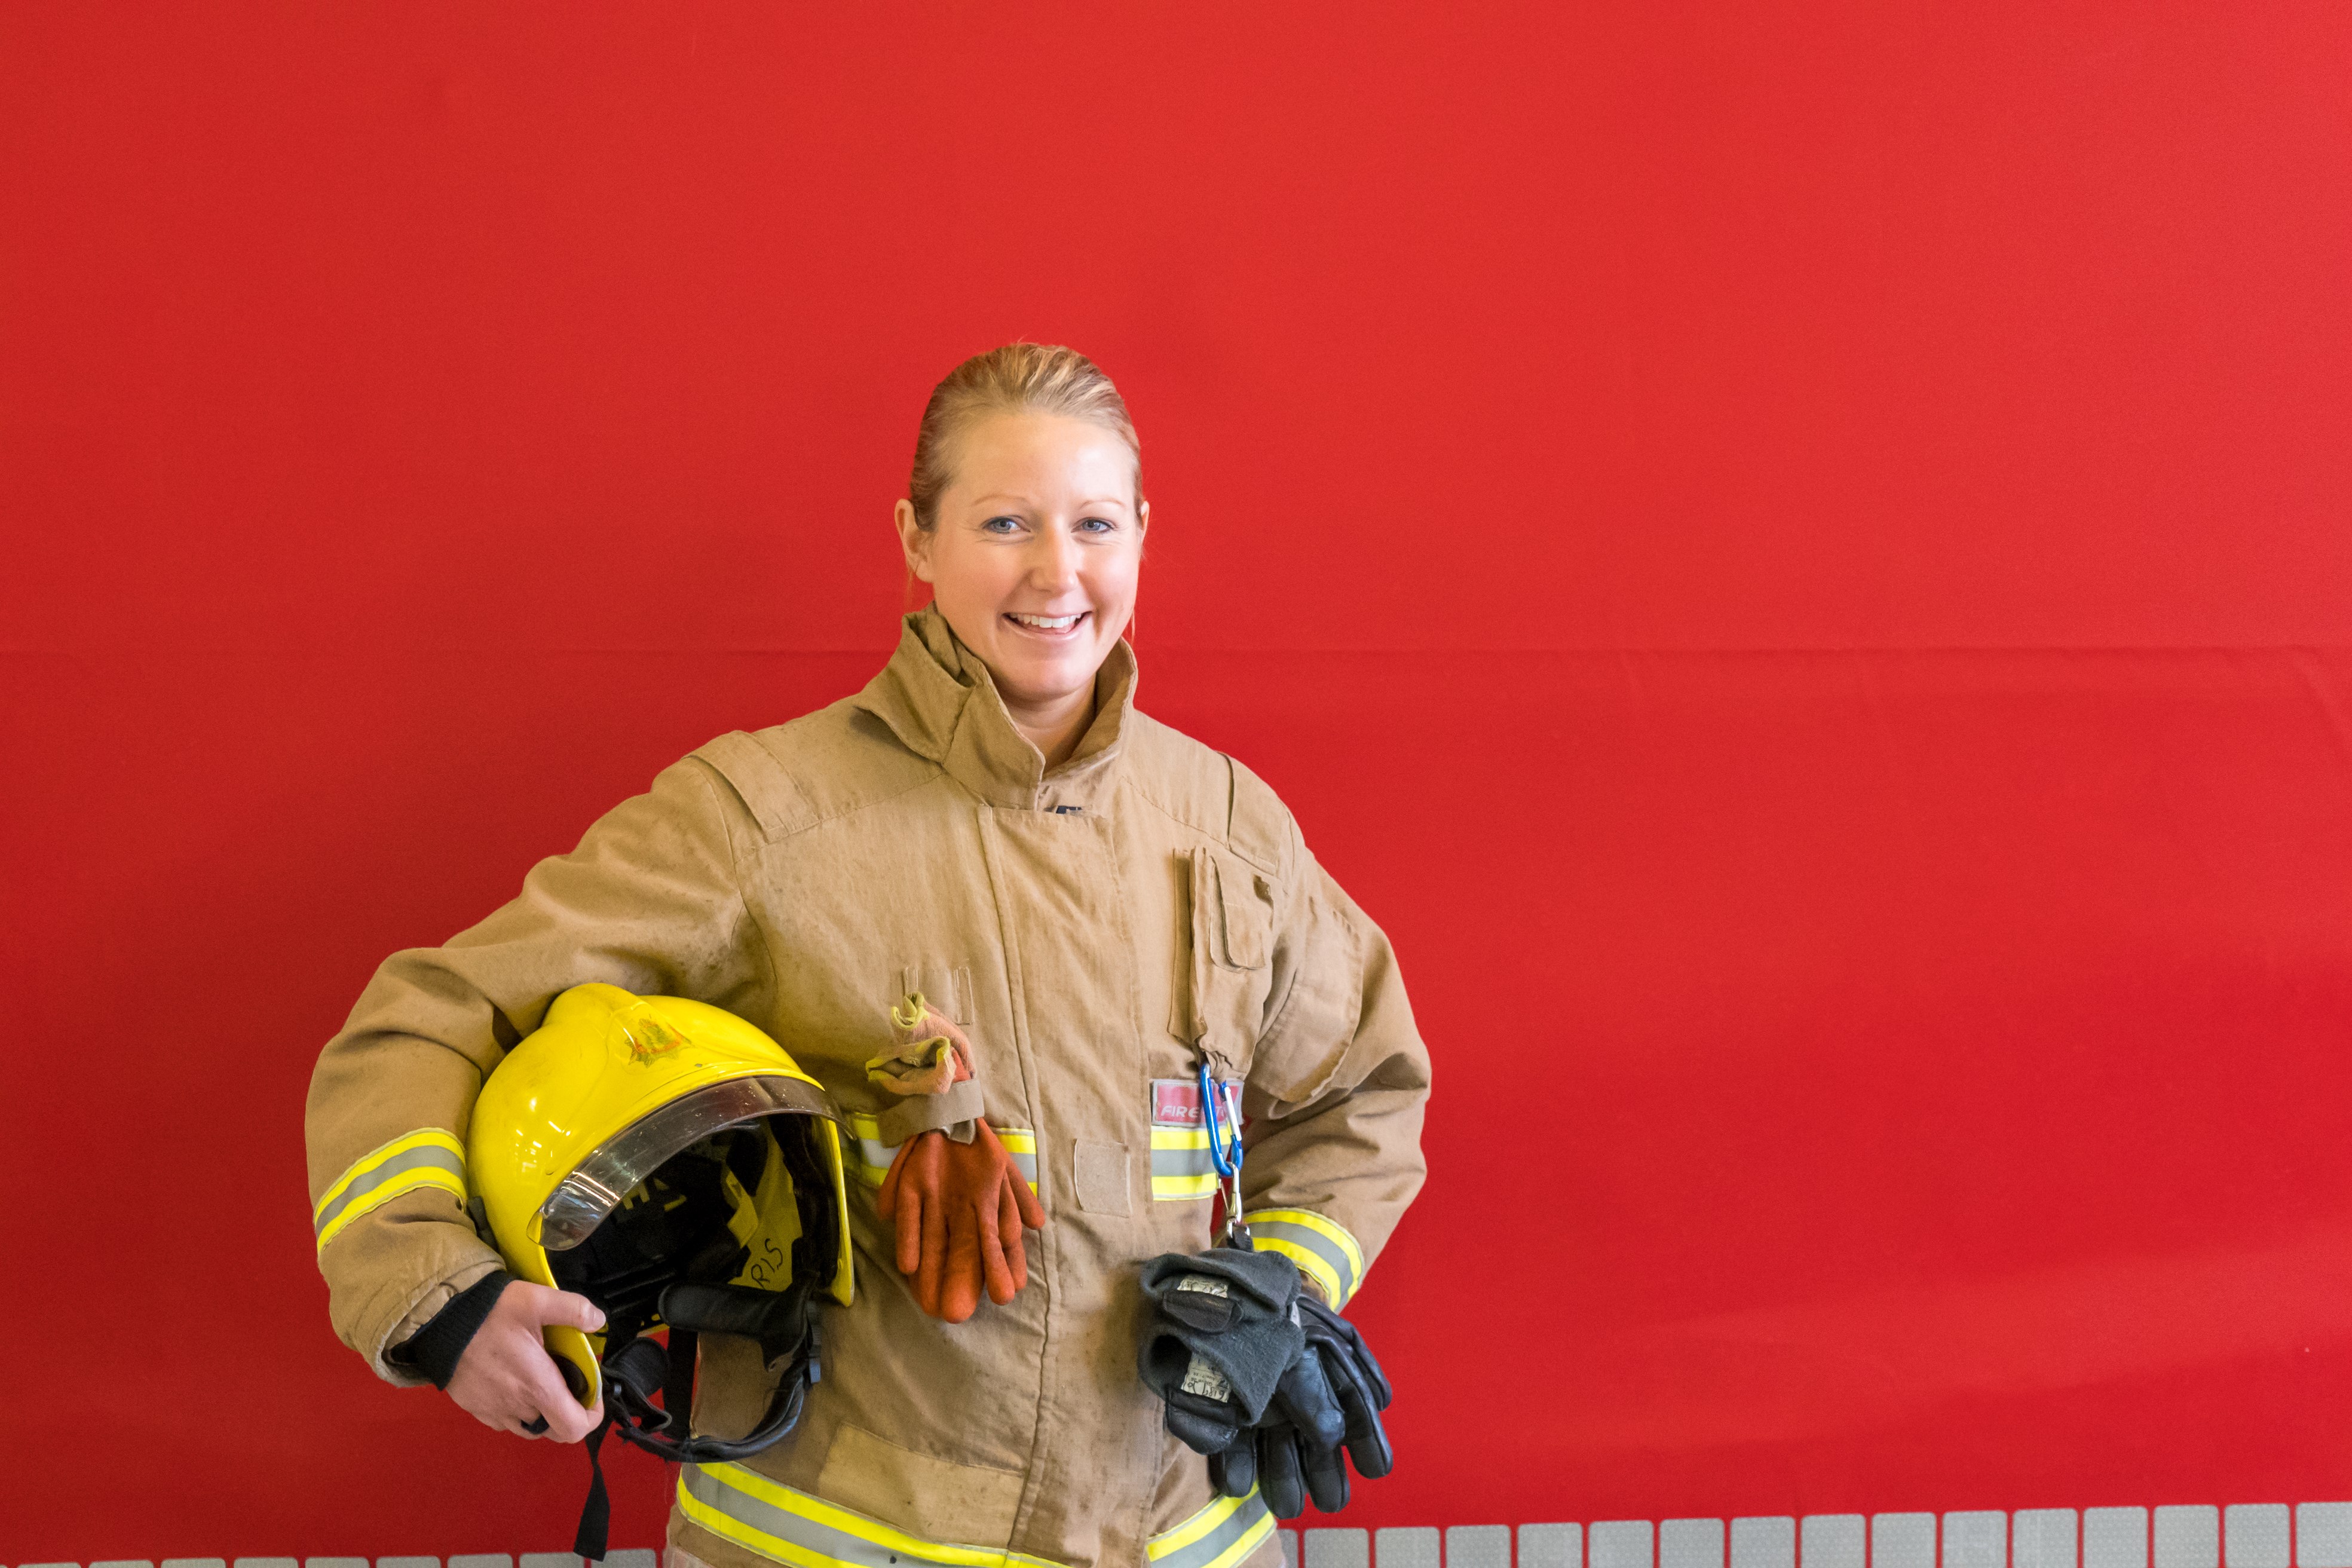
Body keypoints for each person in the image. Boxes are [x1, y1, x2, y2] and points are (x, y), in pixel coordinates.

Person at [304, 344, 1431, 1568]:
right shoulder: (763, 818)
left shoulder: (1228, 827)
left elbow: (1367, 1093)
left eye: (1096, 524)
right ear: (917, 537)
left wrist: (1280, 1279)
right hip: (843, 1542)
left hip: (1187, 1543)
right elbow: (431, 1013)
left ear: (1145, 536)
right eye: (1005, 522)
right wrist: (441, 1292)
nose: (1059, 572)